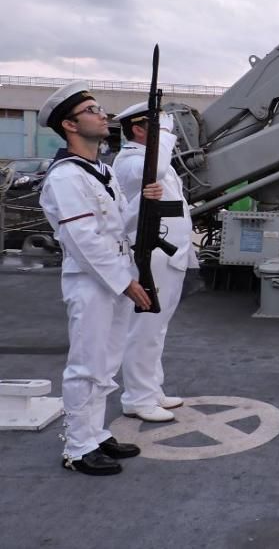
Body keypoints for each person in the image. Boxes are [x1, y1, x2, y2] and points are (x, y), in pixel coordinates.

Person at [37, 82, 160, 475]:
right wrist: (124, 281)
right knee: (87, 364)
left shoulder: (100, 171)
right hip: (92, 281)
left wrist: (146, 200)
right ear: (70, 125)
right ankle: (77, 447)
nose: (102, 114)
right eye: (92, 110)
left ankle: (95, 433)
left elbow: (115, 227)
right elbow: (82, 239)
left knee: (107, 362)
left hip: (116, 276)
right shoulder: (66, 177)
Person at [112, 103, 197, 423]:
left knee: (156, 329)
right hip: (150, 251)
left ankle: (150, 388)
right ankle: (137, 397)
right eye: (155, 125)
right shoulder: (131, 161)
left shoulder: (147, 159)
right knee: (143, 329)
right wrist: (164, 134)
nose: (165, 131)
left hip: (168, 253)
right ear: (138, 129)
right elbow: (155, 172)